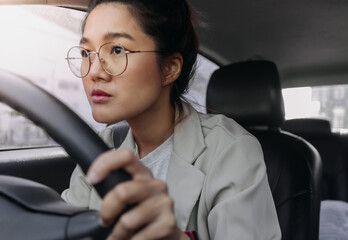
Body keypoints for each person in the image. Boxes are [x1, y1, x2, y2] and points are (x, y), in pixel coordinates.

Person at [61, 0, 281, 239]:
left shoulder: (231, 150)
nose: (94, 71)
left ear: (170, 69)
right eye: (86, 53)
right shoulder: (98, 148)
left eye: (116, 50)